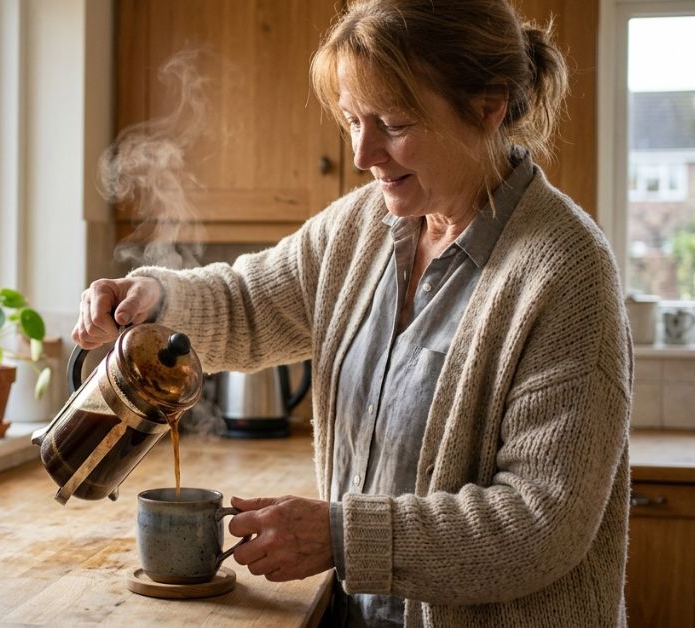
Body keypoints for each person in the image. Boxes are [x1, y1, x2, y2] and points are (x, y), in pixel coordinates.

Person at [72, 0, 632, 625]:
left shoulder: (565, 271)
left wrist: (342, 536)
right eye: (350, 120)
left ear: (488, 106)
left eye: (393, 123)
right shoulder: (363, 226)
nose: (364, 154)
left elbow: (538, 522)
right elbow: (249, 302)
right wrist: (157, 298)